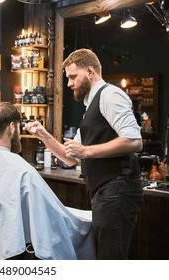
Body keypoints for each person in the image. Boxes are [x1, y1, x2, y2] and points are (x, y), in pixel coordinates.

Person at [25, 48, 143, 259]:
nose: (69, 83)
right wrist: (44, 135)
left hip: (117, 187)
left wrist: (87, 151)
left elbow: (134, 141)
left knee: (111, 259)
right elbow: (70, 158)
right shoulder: (91, 105)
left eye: (72, 77)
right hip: (103, 191)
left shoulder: (110, 95)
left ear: (90, 71)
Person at [0, 102, 96, 260]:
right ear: (11, 127)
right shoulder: (23, 171)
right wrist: (85, 222)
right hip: (12, 255)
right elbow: (50, 218)